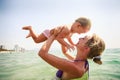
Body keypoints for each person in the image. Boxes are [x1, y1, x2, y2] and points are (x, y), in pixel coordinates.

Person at [38, 30, 105, 80]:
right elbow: (65, 52)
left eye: (83, 38)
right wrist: (62, 38)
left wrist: (53, 35)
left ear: (86, 48)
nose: (79, 38)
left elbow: (42, 53)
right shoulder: (81, 62)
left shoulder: (77, 68)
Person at [22, 17, 91, 52]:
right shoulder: (67, 29)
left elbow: (69, 38)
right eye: (82, 32)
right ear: (78, 26)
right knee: (36, 41)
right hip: (48, 34)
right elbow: (58, 38)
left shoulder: (72, 31)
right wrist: (67, 45)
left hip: (50, 33)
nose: (79, 34)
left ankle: (31, 34)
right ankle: (30, 29)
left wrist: (73, 44)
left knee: (37, 37)